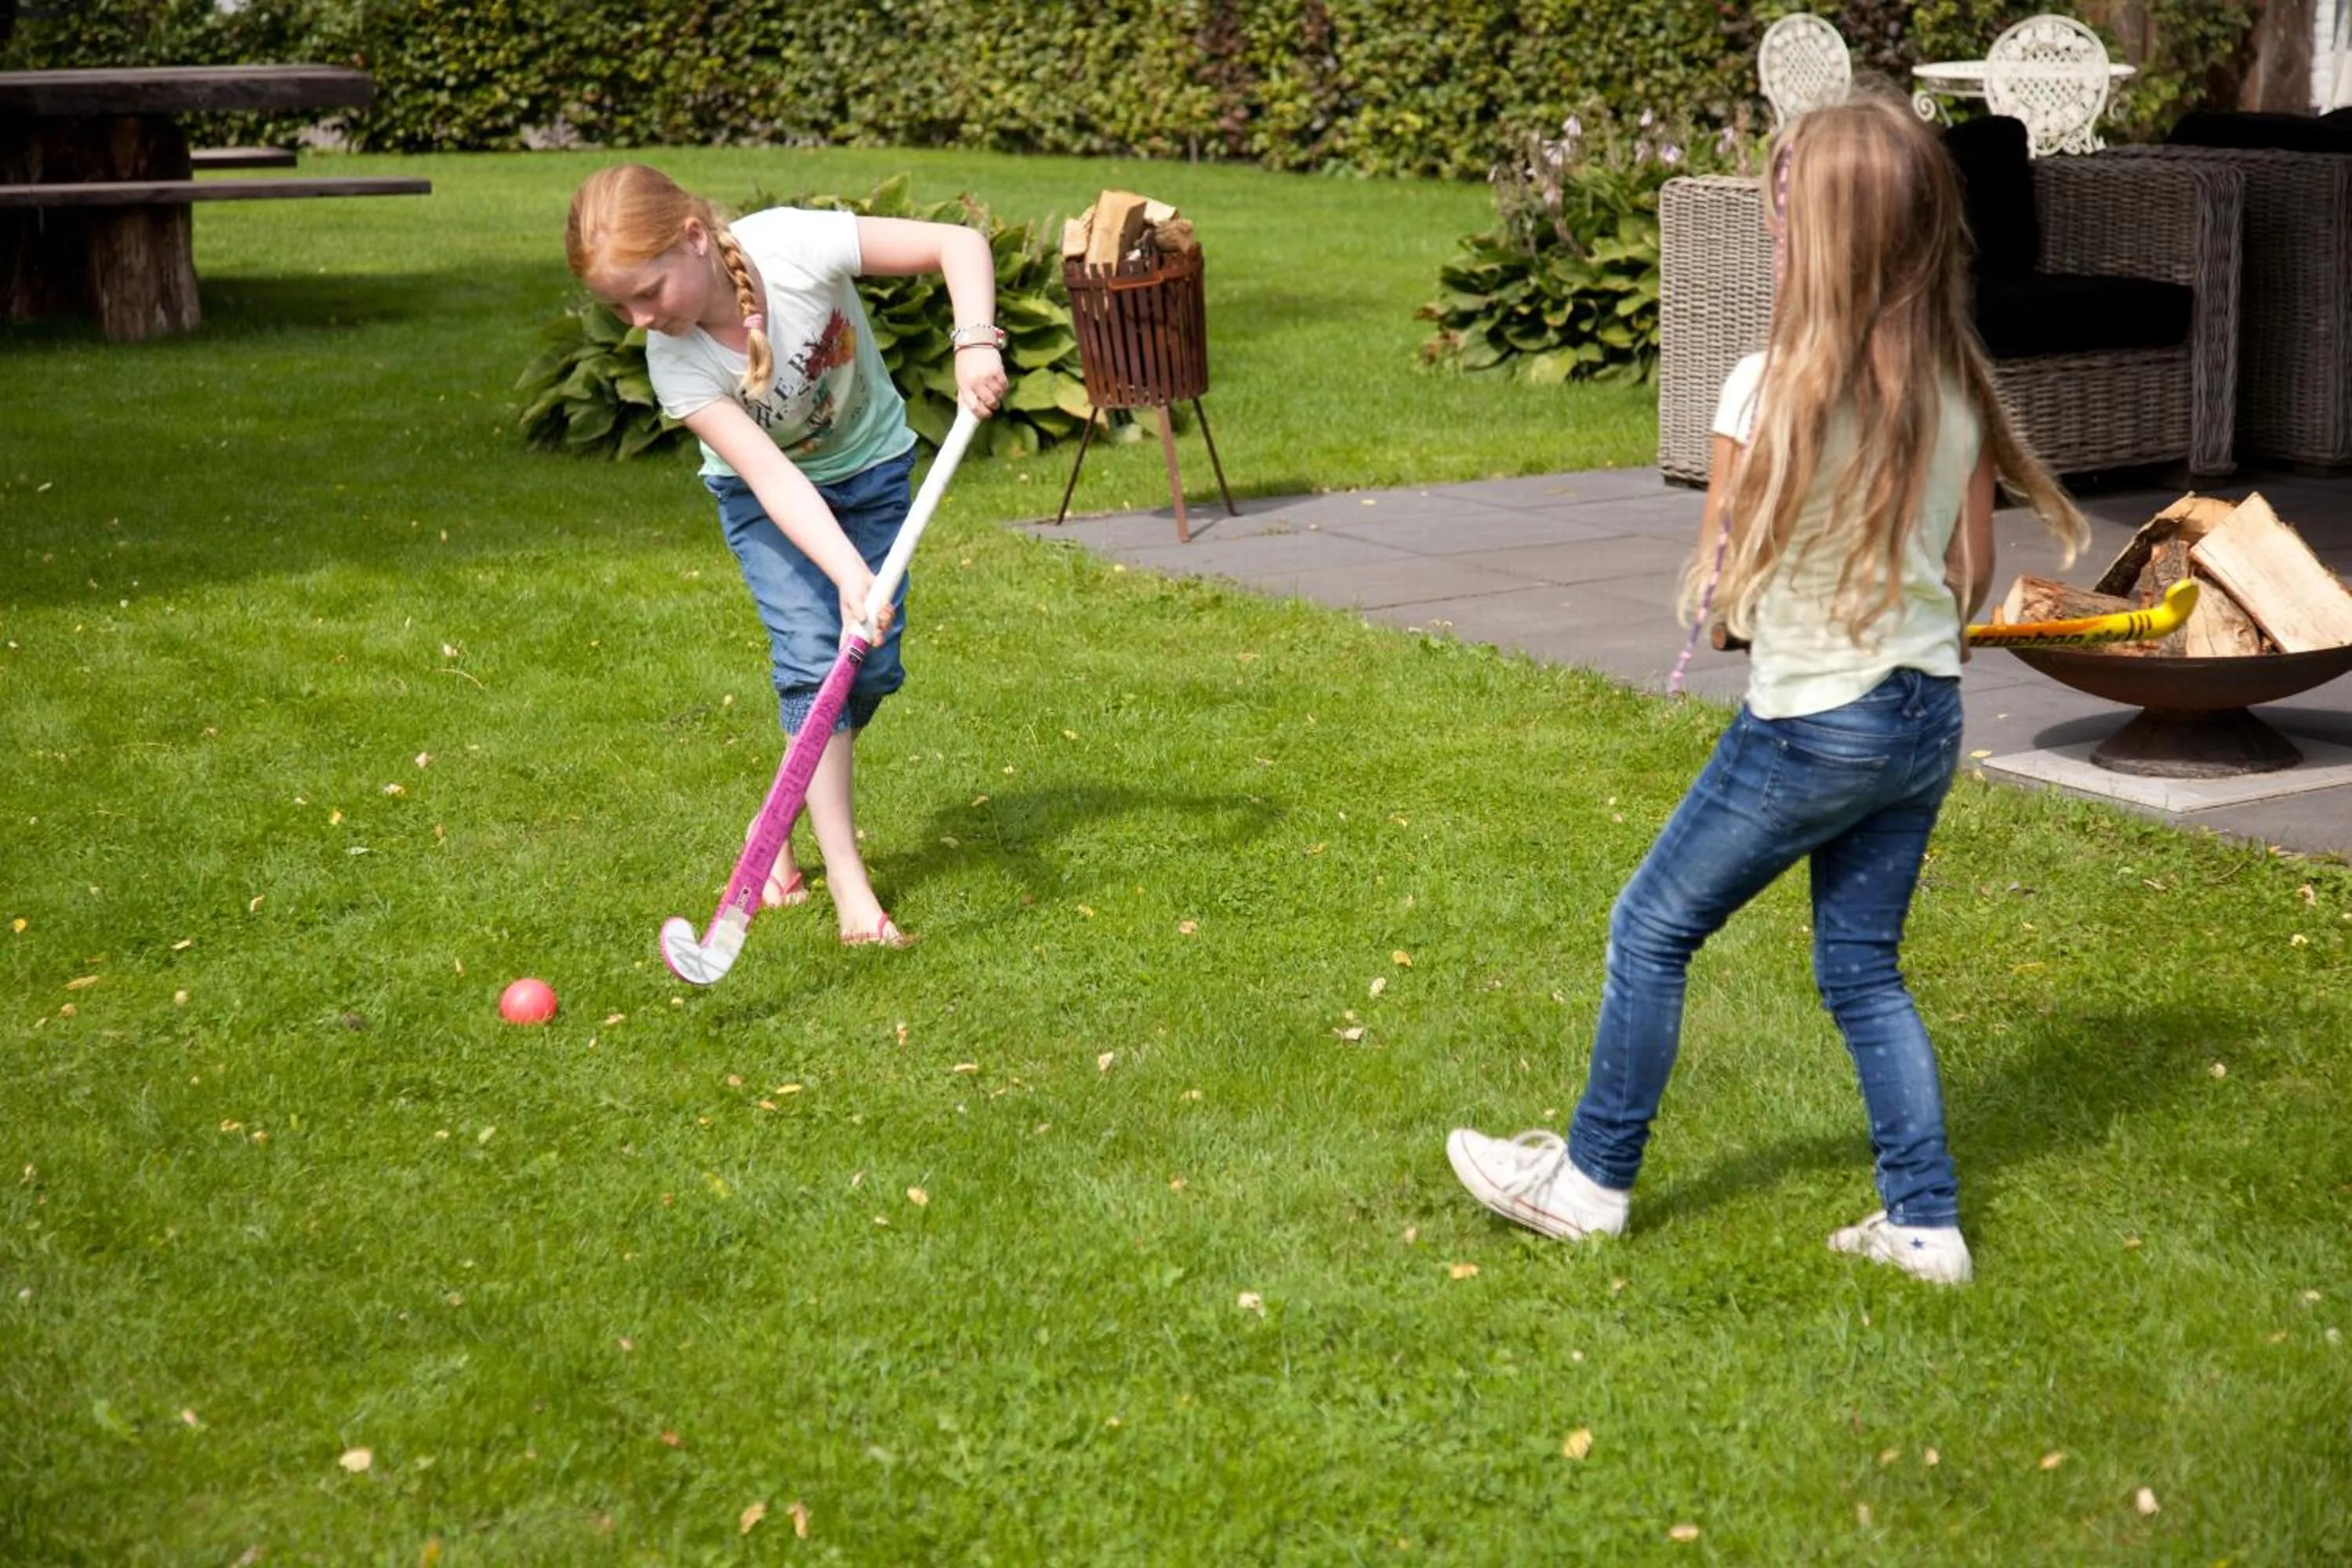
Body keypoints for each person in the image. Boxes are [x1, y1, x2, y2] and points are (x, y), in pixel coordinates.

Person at [1445, 93, 2087, 1285]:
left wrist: (1726, 599)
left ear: (1822, 241)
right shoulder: (1955, 389)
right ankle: (1924, 1223)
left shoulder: (1764, 386)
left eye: (1783, 216)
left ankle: (1589, 1182)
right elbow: (1973, 572)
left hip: (1813, 726)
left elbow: (1729, 581)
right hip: (1922, 717)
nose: (1774, 235)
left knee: (1650, 928)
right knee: (1861, 968)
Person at [566, 164, 1005, 947]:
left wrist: (974, 342)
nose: (637, 318)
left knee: (870, 670)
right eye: (619, 305)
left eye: (648, 291)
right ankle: (849, 882)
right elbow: (770, 476)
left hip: (871, 471)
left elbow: (958, 243)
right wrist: (845, 574)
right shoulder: (675, 359)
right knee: (817, 664)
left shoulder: (794, 246)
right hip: (767, 503)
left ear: (695, 240)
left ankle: (777, 816)